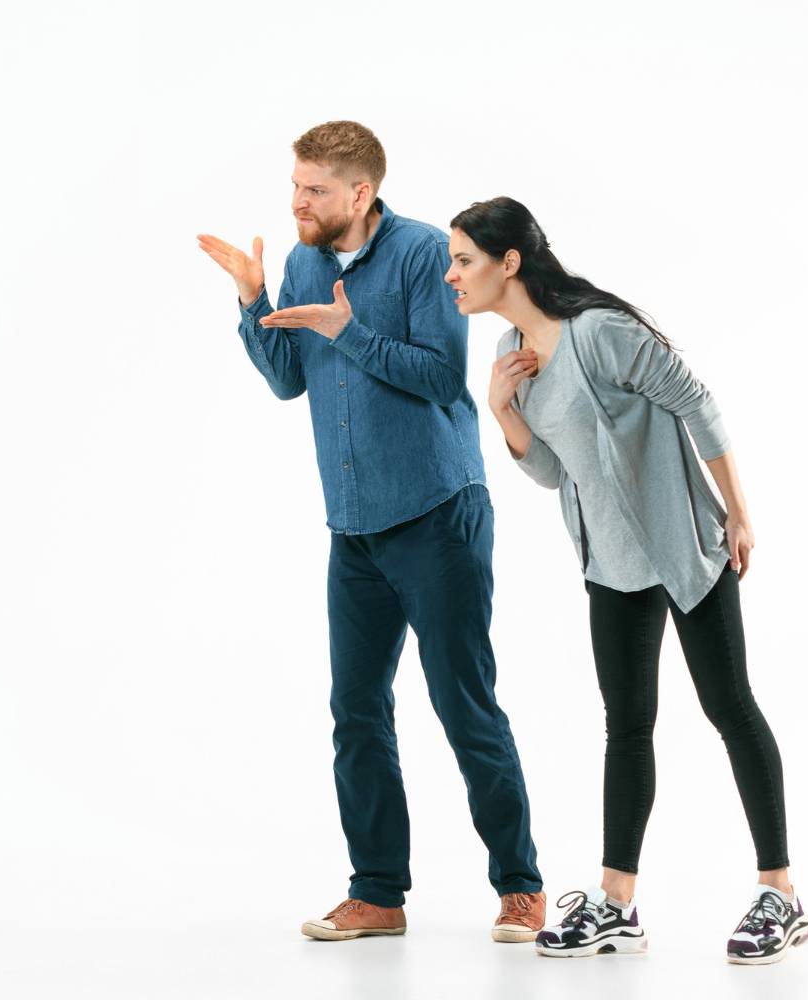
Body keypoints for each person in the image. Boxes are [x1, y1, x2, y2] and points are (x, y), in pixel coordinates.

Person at [197, 122, 544, 944]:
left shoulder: (427, 254)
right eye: (293, 187)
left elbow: (437, 375)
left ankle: (521, 887)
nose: (296, 204)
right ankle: (379, 893)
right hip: (352, 527)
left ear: (359, 192)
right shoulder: (303, 263)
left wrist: (344, 328)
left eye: (312, 190)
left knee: (463, 703)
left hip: (436, 514)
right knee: (356, 711)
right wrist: (254, 299)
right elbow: (288, 380)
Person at [445, 196, 808, 965]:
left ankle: (780, 891)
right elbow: (552, 471)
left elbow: (698, 403)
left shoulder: (600, 335)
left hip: (685, 552)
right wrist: (503, 408)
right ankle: (618, 904)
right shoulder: (516, 352)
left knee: (729, 709)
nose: (453, 275)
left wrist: (737, 514)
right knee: (627, 728)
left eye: (464, 260)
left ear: (508, 262)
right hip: (610, 566)